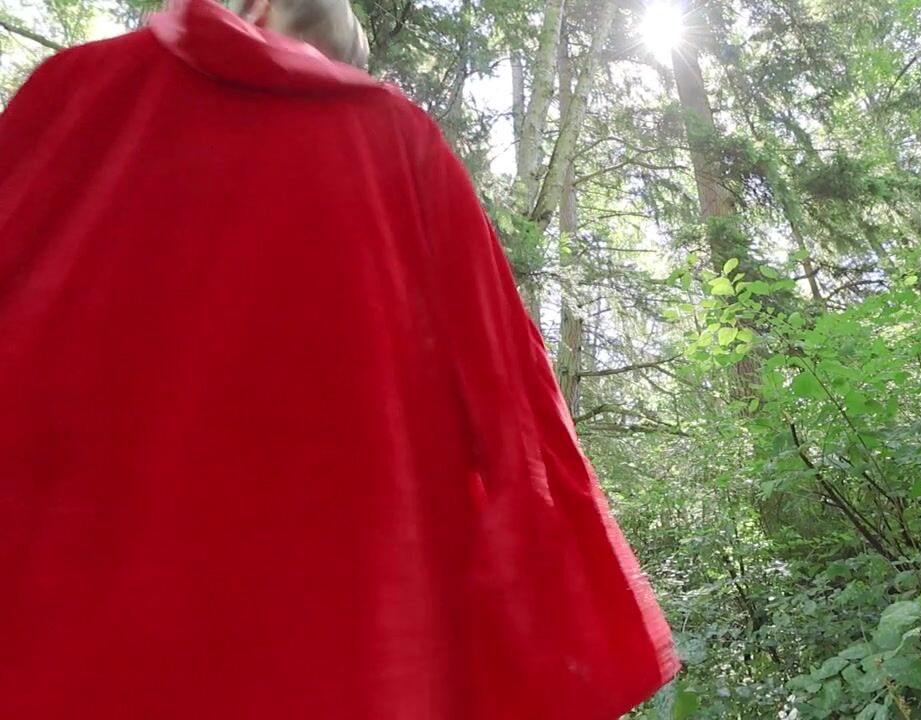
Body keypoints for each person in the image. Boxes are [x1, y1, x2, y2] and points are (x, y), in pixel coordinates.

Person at [0, 0, 679, 718]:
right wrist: (561, 627)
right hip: (347, 648)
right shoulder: (401, 143)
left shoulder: (71, 92)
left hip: (60, 634)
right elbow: (515, 403)